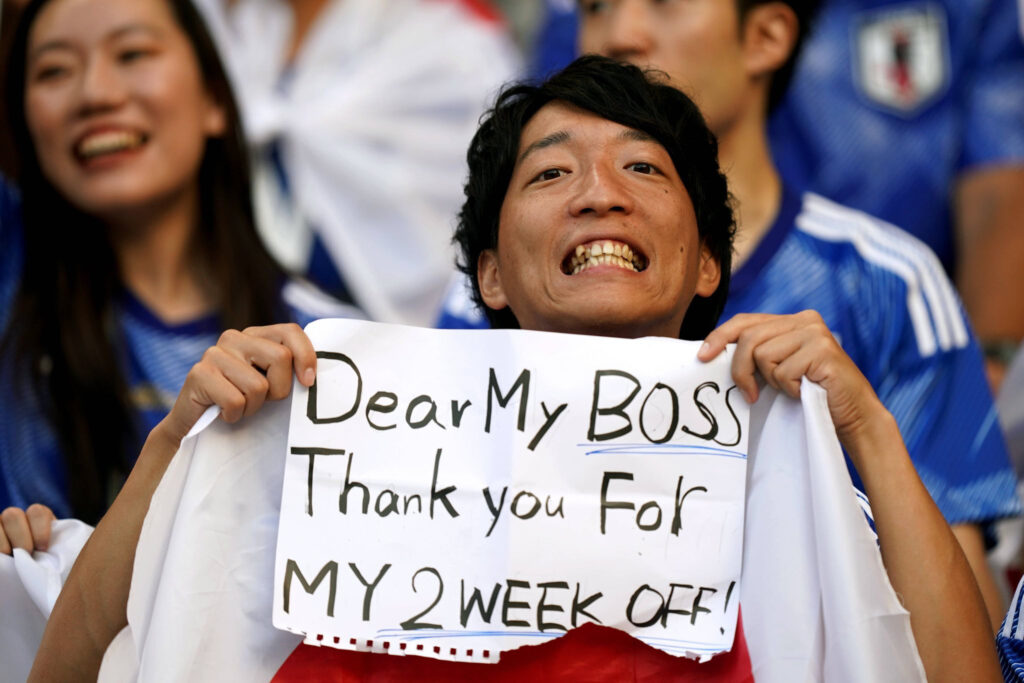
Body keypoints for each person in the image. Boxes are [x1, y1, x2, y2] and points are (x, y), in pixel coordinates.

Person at [9, 55, 999, 681]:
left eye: (643, 168)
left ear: (706, 264)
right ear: (488, 272)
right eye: (551, 172)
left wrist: (866, 425)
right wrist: (180, 444)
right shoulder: (341, 449)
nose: (599, 195)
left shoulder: (786, 470)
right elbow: (69, 672)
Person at [440, 0, 1020, 627]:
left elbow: (966, 648)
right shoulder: (485, 296)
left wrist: (867, 429)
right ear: (491, 278)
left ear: (767, 35)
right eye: (596, 7)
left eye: (666, 5)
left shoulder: (884, 283)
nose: (622, 34)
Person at [0, 0, 359, 524]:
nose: (96, 93)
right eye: (54, 70)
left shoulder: (328, 341)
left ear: (215, 96)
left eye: (133, 53)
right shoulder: (12, 287)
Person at [188, 0, 521, 326]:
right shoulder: (221, 33)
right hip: (237, 322)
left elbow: (493, 209)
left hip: (407, 349)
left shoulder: (450, 45)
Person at [767, 0, 1024, 391]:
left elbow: (999, 180)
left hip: (921, 339)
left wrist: (986, 364)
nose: (635, 34)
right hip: (735, 328)